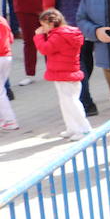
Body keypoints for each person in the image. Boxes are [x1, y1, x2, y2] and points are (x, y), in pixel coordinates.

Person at [39, 0, 99, 114]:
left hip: (64, 26)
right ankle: (85, 100)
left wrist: (47, 28)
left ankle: (85, 103)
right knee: (86, 61)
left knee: (75, 65)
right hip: (83, 22)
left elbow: (48, 4)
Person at [33, 8, 90, 137]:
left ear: (51, 23)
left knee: (71, 103)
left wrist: (38, 37)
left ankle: (84, 128)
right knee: (66, 102)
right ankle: (72, 127)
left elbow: (45, 49)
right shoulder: (64, 33)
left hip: (65, 73)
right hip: (64, 72)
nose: (43, 28)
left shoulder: (59, 35)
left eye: (43, 25)